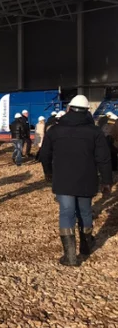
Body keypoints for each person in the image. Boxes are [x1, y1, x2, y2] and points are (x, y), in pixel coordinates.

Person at [40, 95, 112, 267]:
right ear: (87, 110)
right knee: (85, 212)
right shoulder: (94, 132)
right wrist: (106, 181)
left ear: (69, 109)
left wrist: (48, 172)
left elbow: (44, 155)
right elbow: (104, 158)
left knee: (67, 212)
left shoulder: (55, 130)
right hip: (86, 178)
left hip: (63, 180)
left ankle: (70, 256)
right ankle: (86, 247)